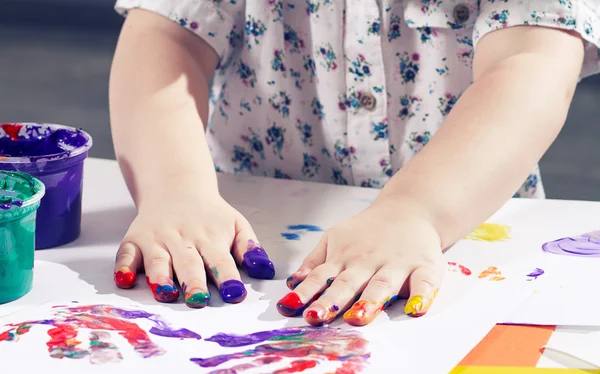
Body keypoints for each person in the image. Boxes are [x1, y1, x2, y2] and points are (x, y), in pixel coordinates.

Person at [109, 0, 599, 326]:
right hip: (236, 224)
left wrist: (417, 210)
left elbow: (532, 62)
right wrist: (173, 189)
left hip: (468, 226)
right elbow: (169, 35)